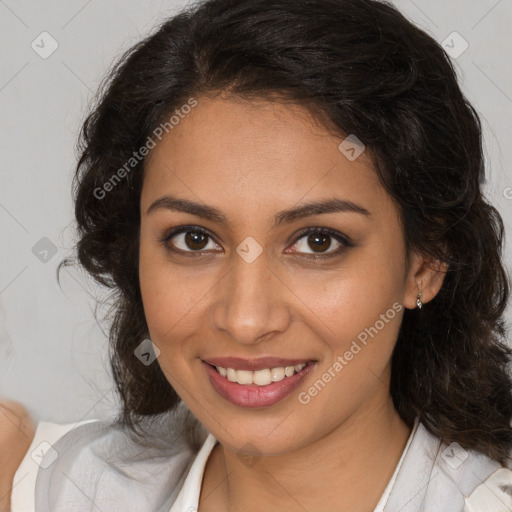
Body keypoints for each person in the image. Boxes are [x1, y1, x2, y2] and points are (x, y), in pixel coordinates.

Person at [3, 0, 512, 510]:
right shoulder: (50, 488)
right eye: (194, 239)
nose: (246, 320)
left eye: (318, 242)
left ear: (425, 262)